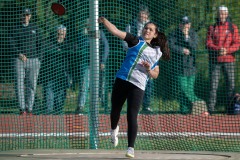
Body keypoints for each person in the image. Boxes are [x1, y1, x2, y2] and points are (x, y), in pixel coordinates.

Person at [98, 16, 170, 158]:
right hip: (122, 79)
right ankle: (113, 129)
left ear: (155, 34)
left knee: (132, 115)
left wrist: (149, 70)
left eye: (150, 29)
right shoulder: (135, 40)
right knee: (115, 111)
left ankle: (130, 148)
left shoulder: (157, 52)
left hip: (138, 86)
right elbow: (116, 31)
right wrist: (105, 21)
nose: (147, 30)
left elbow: (155, 74)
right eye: (146, 28)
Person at [168, 16, 208, 115]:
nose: (185, 26)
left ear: (189, 25)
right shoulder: (174, 33)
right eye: (183, 23)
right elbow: (170, 45)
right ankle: (200, 105)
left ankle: (185, 110)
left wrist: (186, 37)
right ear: (180, 24)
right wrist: (182, 50)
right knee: (183, 89)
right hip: (179, 66)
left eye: (187, 24)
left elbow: (194, 46)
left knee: (189, 89)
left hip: (191, 66)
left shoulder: (193, 34)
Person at [206, 6, 239, 114]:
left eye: (224, 13)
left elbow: (237, 43)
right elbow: (208, 43)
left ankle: (230, 109)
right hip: (215, 61)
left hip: (229, 60)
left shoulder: (233, 27)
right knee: (213, 86)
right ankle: (210, 110)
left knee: (231, 85)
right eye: (220, 13)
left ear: (227, 14)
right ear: (217, 14)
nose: (222, 15)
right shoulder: (212, 27)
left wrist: (227, 50)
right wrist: (218, 49)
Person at [123, 5, 153, 113]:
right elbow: (125, 41)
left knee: (148, 82)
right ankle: (135, 104)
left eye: (144, 13)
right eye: (141, 12)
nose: (142, 15)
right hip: (135, 58)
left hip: (148, 57)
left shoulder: (152, 26)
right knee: (134, 81)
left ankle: (147, 105)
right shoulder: (131, 25)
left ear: (147, 15)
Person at [75, 18, 109, 114]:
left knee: (101, 85)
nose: (89, 26)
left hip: (98, 63)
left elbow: (106, 47)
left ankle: (104, 104)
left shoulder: (100, 33)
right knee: (84, 84)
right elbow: (78, 47)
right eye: (88, 24)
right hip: (86, 63)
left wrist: (103, 61)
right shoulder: (82, 34)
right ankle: (81, 106)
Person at [11, 8, 42, 115]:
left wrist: (39, 58)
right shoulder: (15, 28)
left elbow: (40, 43)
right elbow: (11, 43)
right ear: (21, 16)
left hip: (34, 60)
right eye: (24, 15)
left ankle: (30, 108)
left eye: (27, 15)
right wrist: (19, 54)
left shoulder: (35, 28)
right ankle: (22, 109)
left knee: (32, 84)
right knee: (19, 84)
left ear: (30, 16)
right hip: (19, 60)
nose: (25, 17)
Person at [42, 25, 69, 115]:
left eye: (62, 34)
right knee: (49, 94)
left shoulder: (67, 45)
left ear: (65, 35)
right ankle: (48, 112)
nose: (60, 35)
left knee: (60, 96)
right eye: (58, 33)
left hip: (62, 75)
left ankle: (58, 111)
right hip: (50, 73)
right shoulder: (48, 42)